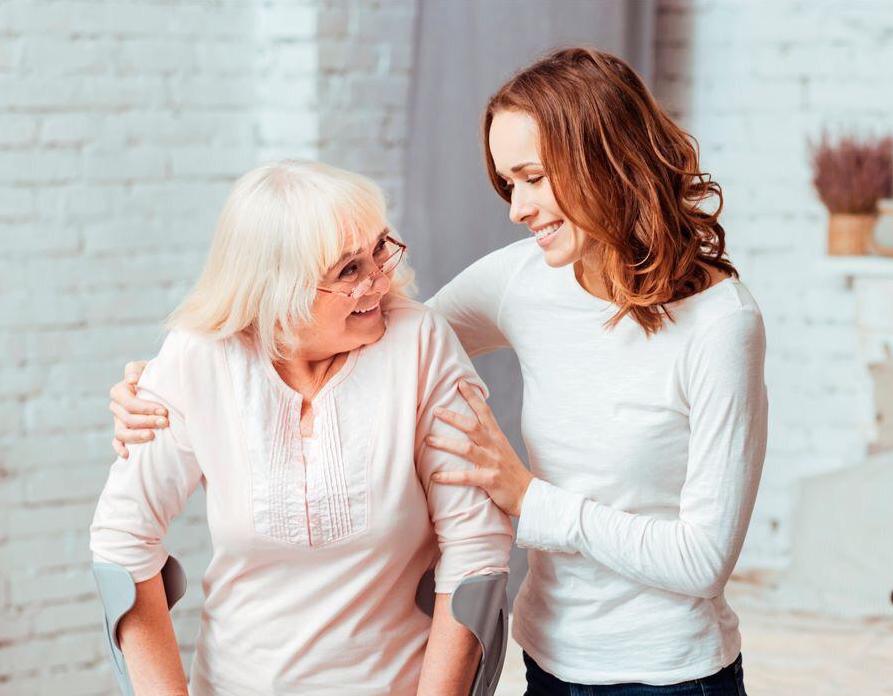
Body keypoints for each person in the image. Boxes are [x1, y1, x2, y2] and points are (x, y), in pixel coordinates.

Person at [109, 48, 767, 695]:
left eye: (533, 177)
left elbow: (701, 562)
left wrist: (525, 496)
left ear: (605, 157)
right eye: (508, 183)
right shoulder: (524, 279)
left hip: (671, 673)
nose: (516, 208)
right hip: (550, 659)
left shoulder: (720, 327)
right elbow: (385, 335)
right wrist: (174, 379)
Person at [90, 160, 513, 696]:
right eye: (349, 271)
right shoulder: (199, 358)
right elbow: (122, 540)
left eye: (380, 249)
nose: (379, 280)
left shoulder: (419, 345)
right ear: (277, 290)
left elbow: (476, 545)